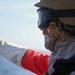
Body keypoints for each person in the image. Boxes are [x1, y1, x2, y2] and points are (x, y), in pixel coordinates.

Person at [0, 0, 75, 75]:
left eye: (44, 19)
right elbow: (29, 58)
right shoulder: (59, 65)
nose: (41, 28)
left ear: (67, 23)